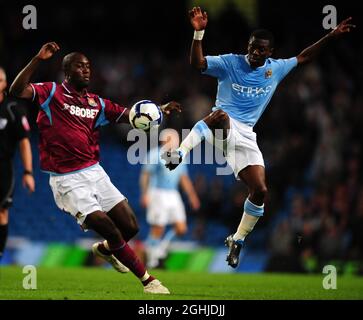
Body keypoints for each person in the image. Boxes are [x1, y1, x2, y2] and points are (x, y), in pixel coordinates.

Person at [162, 7, 355, 268]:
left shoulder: (275, 69)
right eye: (252, 47)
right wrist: (198, 33)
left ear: (270, 52)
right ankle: (180, 154)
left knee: (261, 190)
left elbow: (304, 57)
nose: (255, 52)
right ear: (248, 46)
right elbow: (198, 64)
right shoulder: (230, 62)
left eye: (261, 49)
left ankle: (237, 239)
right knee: (219, 115)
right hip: (222, 126)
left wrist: (331, 36)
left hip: (246, 137)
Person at [9, 43, 181, 294]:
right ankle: (148, 281)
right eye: (80, 66)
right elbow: (16, 90)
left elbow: (130, 115)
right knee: (109, 228)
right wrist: (37, 59)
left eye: (88, 66)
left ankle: (104, 250)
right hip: (67, 180)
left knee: (130, 227)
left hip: (95, 172)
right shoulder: (51, 93)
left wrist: (159, 110)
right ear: (67, 72)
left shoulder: (96, 103)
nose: (86, 70)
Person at [140, 129, 200, 268]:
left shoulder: (178, 155)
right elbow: (145, 175)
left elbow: (183, 178)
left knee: (181, 228)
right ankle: (152, 260)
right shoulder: (155, 154)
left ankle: (158, 250)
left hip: (173, 194)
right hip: (157, 193)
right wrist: (145, 194)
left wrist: (192, 196)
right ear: (166, 139)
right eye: (175, 138)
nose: (178, 141)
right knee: (158, 228)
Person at [0, 67, 35, 262]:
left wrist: (28, 172)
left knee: (2, 212)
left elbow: (24, 142)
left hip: (3, 168)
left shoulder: (13, 109)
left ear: (5, 84)